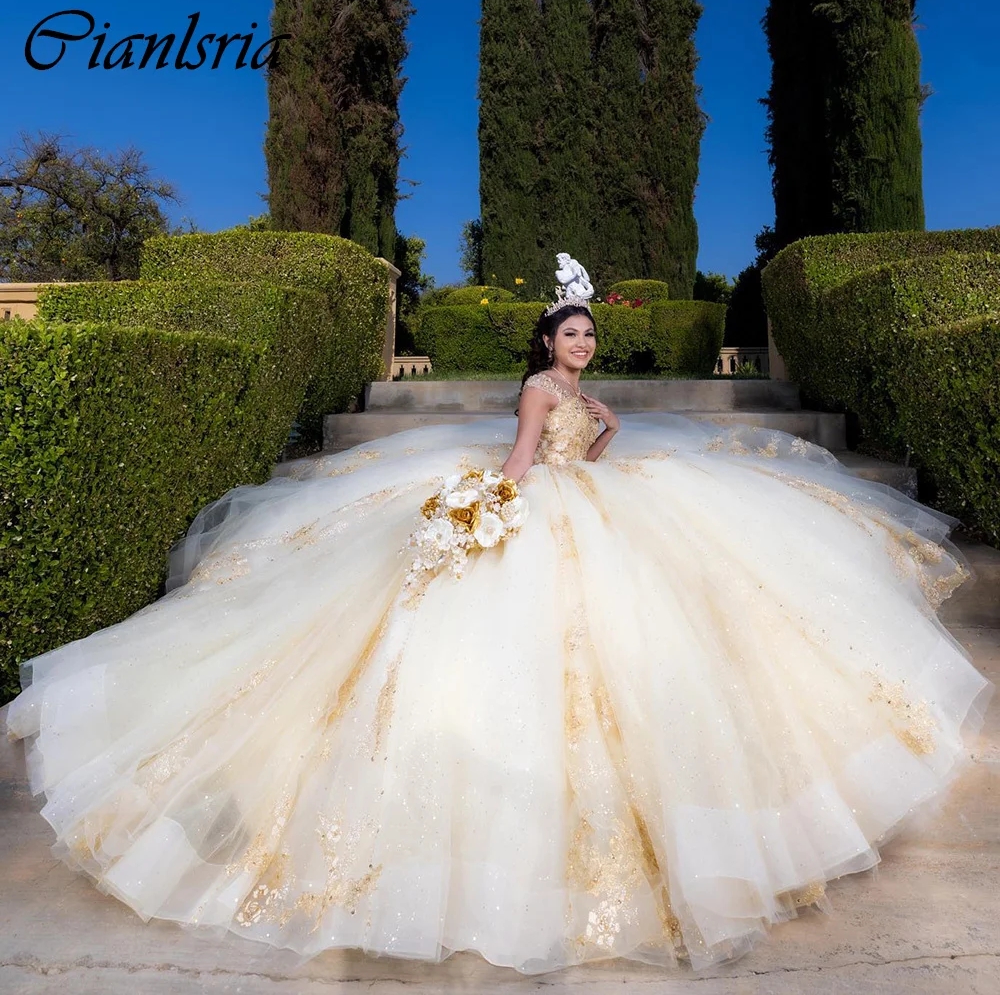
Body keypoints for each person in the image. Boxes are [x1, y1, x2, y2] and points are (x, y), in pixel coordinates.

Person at [4, 276, 992, 976]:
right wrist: (488, 510)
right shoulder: (534, 391)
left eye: (589, 336)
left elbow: (586, 455)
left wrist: (601, 427)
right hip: (540, 510)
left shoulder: (579, 393)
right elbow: (522, 461)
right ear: (545, 343)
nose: (582, 346)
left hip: (598, 506)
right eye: (571, 336)